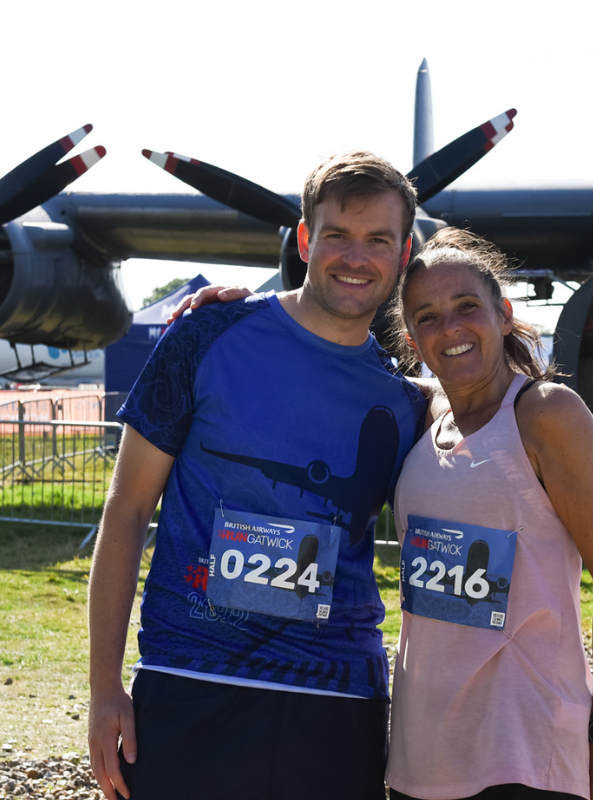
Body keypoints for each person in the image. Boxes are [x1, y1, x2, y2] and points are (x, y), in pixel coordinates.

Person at [87, 151, 427, 800]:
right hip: (193, 684)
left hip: (337, 704)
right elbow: (126, 511)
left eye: (378, 240)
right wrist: (105, 688)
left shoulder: (407, 400)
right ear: (304, 240)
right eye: (338, 236)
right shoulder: (204, 336)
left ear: (404, 251)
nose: (357, 257)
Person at [385, 229, 593, 800]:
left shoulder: (545, 412)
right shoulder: (423, 414)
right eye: (427, 317)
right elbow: (323, 354)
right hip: (420, 757)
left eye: (466, 307)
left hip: (523, 754)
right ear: (411, 339)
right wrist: (240, 312)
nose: (449, 328)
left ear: (504, 315)